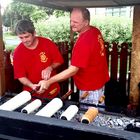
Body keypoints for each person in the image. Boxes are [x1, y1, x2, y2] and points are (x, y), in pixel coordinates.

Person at [37, 8, 110, 106]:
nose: (71, 24)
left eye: (75, 22)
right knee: (98, 109)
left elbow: (73, 70)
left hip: (90, 87)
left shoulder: (84, 42)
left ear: (86, 22)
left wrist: (49, 81)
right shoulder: (94, 30)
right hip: (99, 81)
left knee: (89, 116)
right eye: (71, 20)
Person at [13, 19, 64, 99]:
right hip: (32, 94)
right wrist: (32, 86)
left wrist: (50, 68)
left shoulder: (47, 43)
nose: (24, 40)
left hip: (52, 90)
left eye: (27, 36)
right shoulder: (17, 52)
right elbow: (20, 76)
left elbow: (59, 61)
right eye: (21, 38)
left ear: (34, 33)